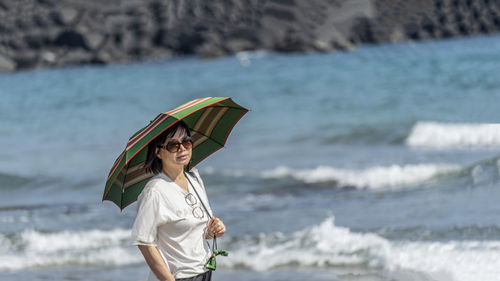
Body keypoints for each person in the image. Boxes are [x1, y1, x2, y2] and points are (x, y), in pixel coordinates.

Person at [131, 120, 226, 281]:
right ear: (158, 152)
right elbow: (144, 243)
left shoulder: (194, 178)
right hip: (178, 277)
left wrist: (213, 230)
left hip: (204, 272)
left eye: (187, 142)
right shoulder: (155, 191)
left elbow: (196, 233)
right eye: (173, 145)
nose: (182, 148)